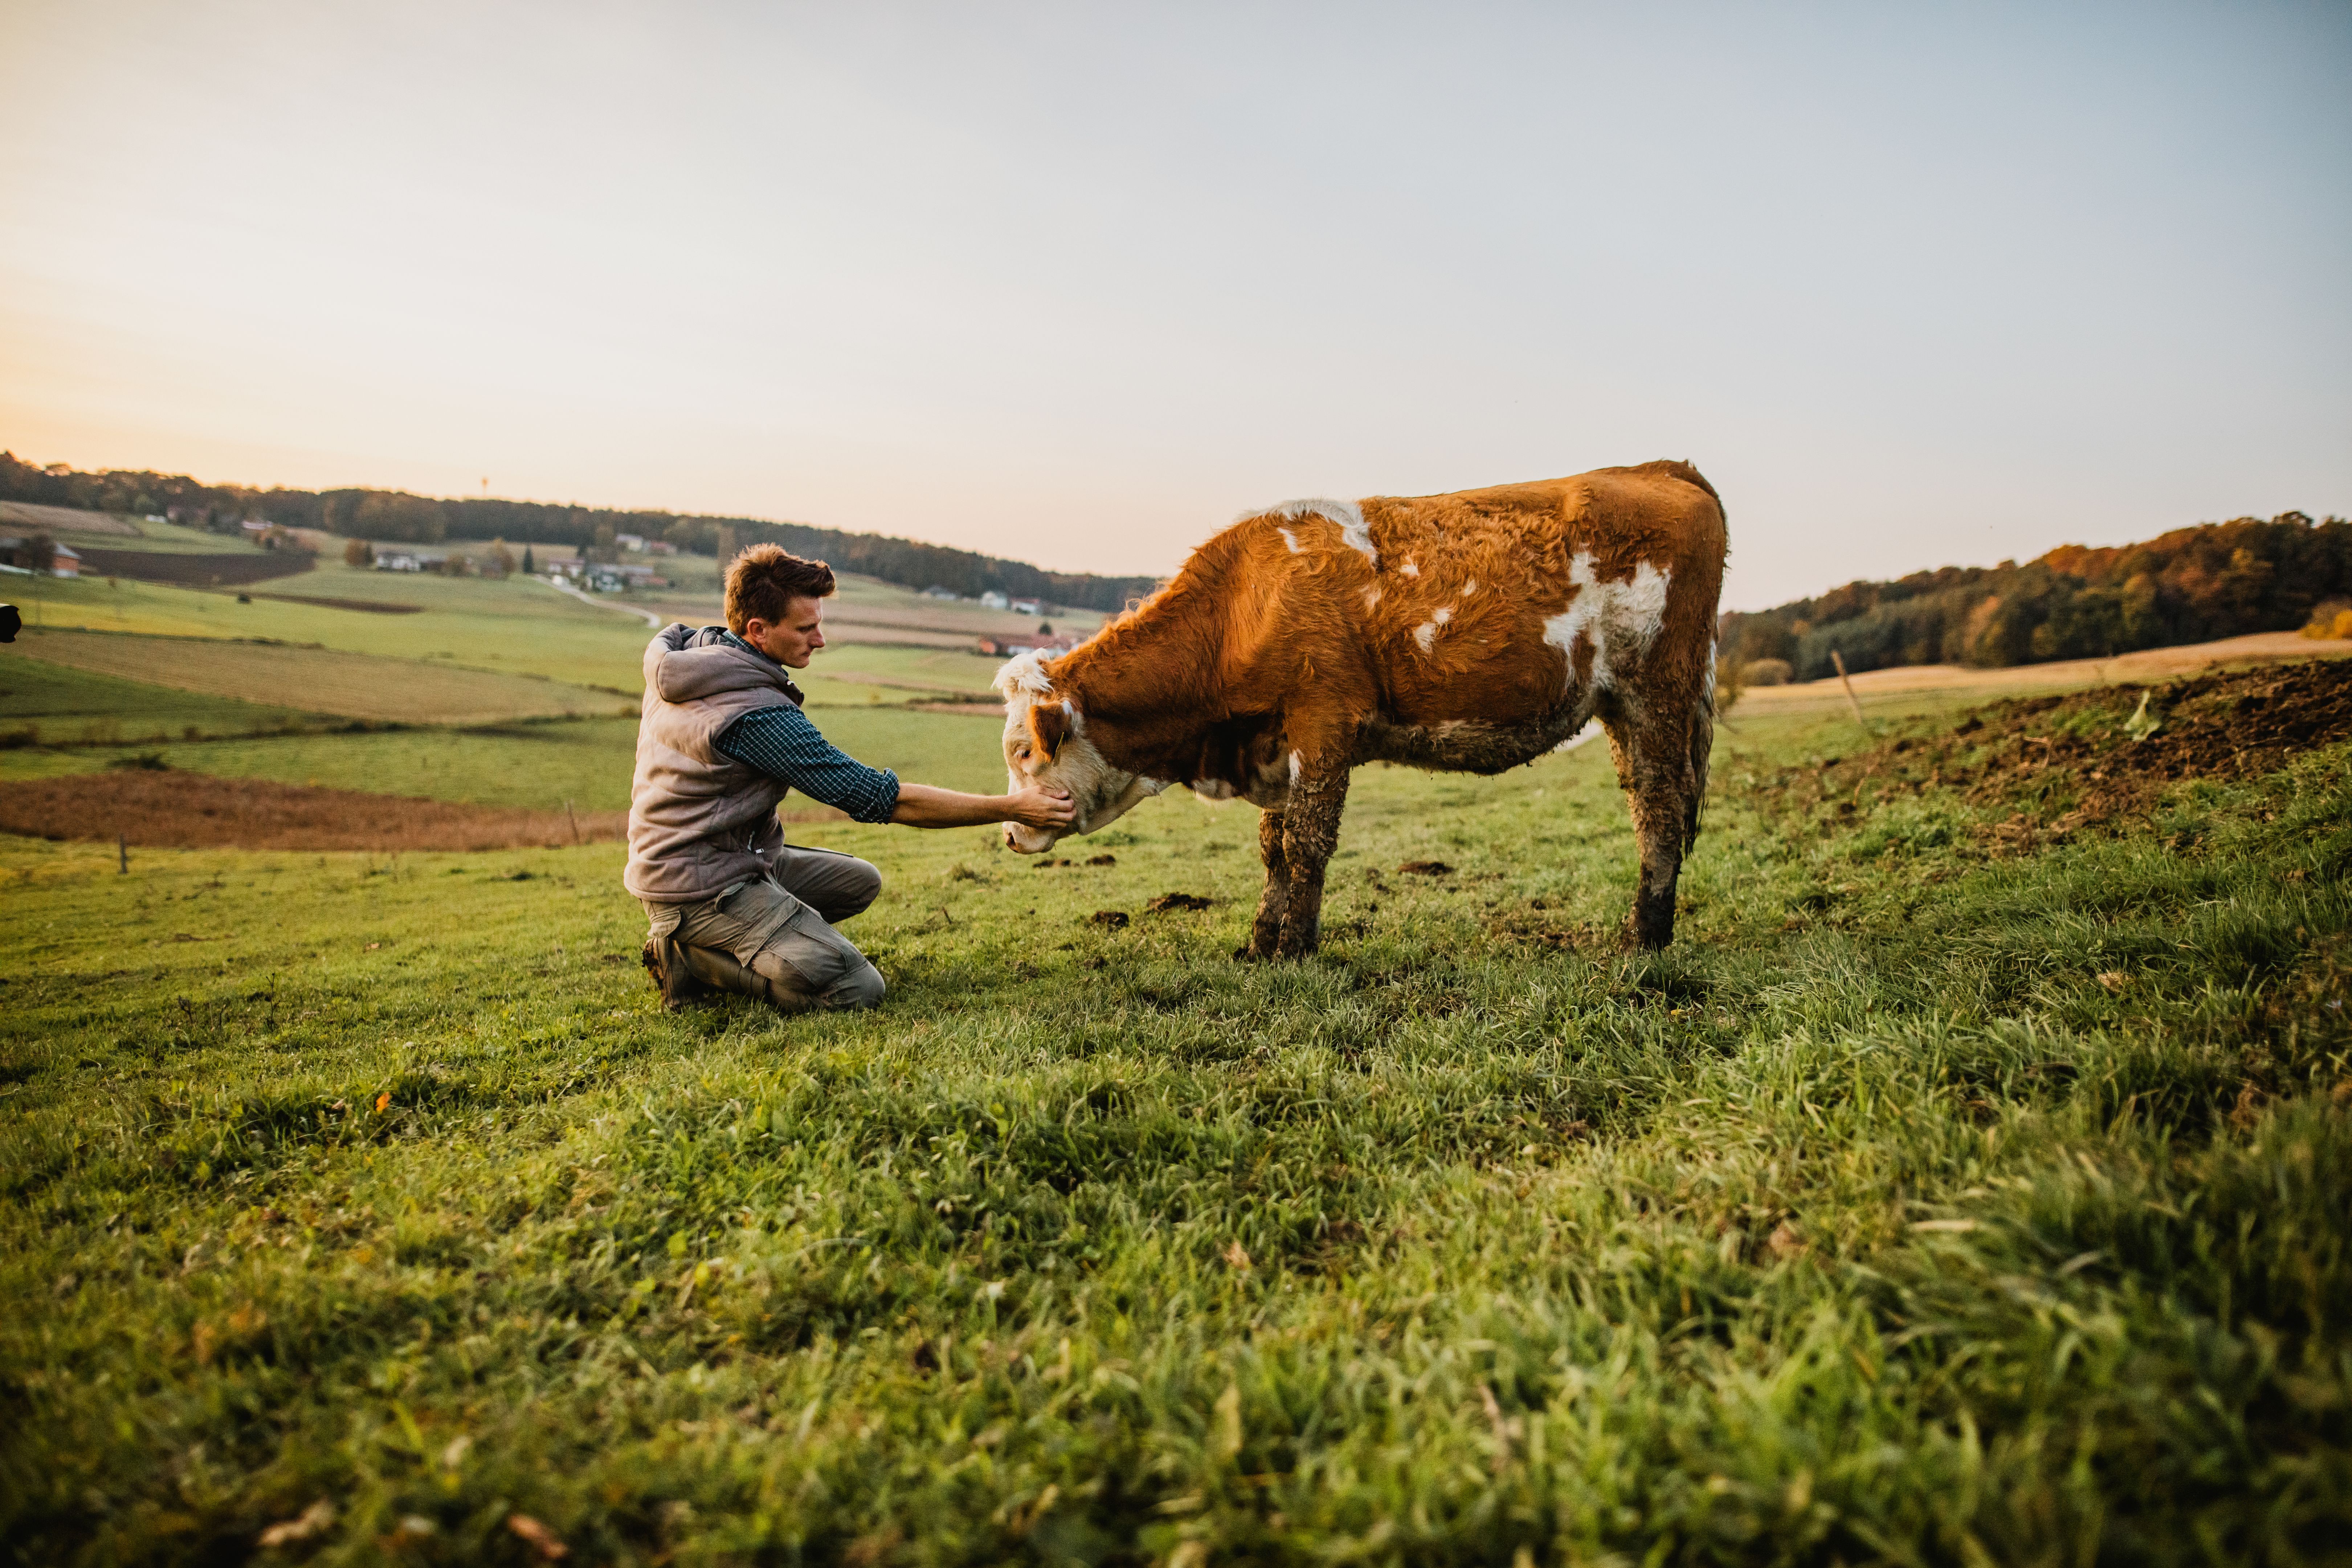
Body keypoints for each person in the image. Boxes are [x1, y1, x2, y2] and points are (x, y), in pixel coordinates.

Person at [627, 544, 1074, 1012]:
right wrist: (1014, 807)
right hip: (697, 886)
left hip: (710, 858)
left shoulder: (692, 658)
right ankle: (690, 957)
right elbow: (879, 799)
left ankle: (749, 934)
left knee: (858, 882)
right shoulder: (753, 715)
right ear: (758, 631)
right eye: (806, 628)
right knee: (856, 989)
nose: (819, 639)